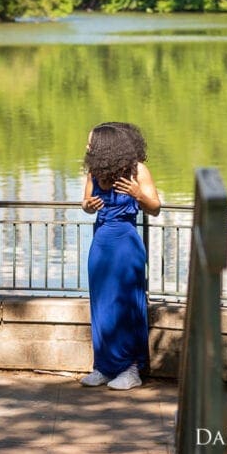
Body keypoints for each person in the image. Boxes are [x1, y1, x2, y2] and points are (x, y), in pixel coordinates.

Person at [80, 122, 161, 390]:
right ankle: (103, 366)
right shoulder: (95, 172)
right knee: (102, 304)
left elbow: (155, 208)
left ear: (106, 146)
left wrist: (138, 194)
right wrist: (88, 206)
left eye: (92, 142)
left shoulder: (137, 171)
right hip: (101, 244)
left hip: (125, 244)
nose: (87, 146)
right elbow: (86, 204)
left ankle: (130, 368)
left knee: (125, 304)